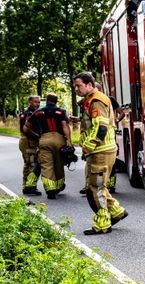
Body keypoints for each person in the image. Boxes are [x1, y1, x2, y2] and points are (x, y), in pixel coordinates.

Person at [73, 72, 128, 235]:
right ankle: (117, 212)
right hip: (103, 149)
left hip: (100, 150)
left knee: (94, 189)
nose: (76, 89)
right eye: (75, 86)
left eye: (79, 85)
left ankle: (103, 224)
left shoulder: (96, 100)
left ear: (89, 84)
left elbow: (101, 128)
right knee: (100, 186)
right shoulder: (91, 100)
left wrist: (88, 147)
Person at [23, 93, 72, 199]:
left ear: (47, 101)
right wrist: (69, 141)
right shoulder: (61, 112)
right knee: (59, 164)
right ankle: (59, 185)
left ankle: (50, 190)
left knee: (46, 165)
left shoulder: (38, 112)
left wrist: (37, 136)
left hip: (44, 140)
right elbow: (65, 126)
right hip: (59, 140)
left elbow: (26, 128)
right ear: (56, 101)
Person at [19, 95, 42, 195]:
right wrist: (38, 136)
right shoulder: (29, 114)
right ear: (30, 102)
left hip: (31, 141)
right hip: (28, 141)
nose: (38, 104)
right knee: (31, 164)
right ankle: (28, 187)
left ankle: (29, 186)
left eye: (39, 102)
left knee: (32, 163)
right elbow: (26, 129)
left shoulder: (34, 113)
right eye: (36, 102)